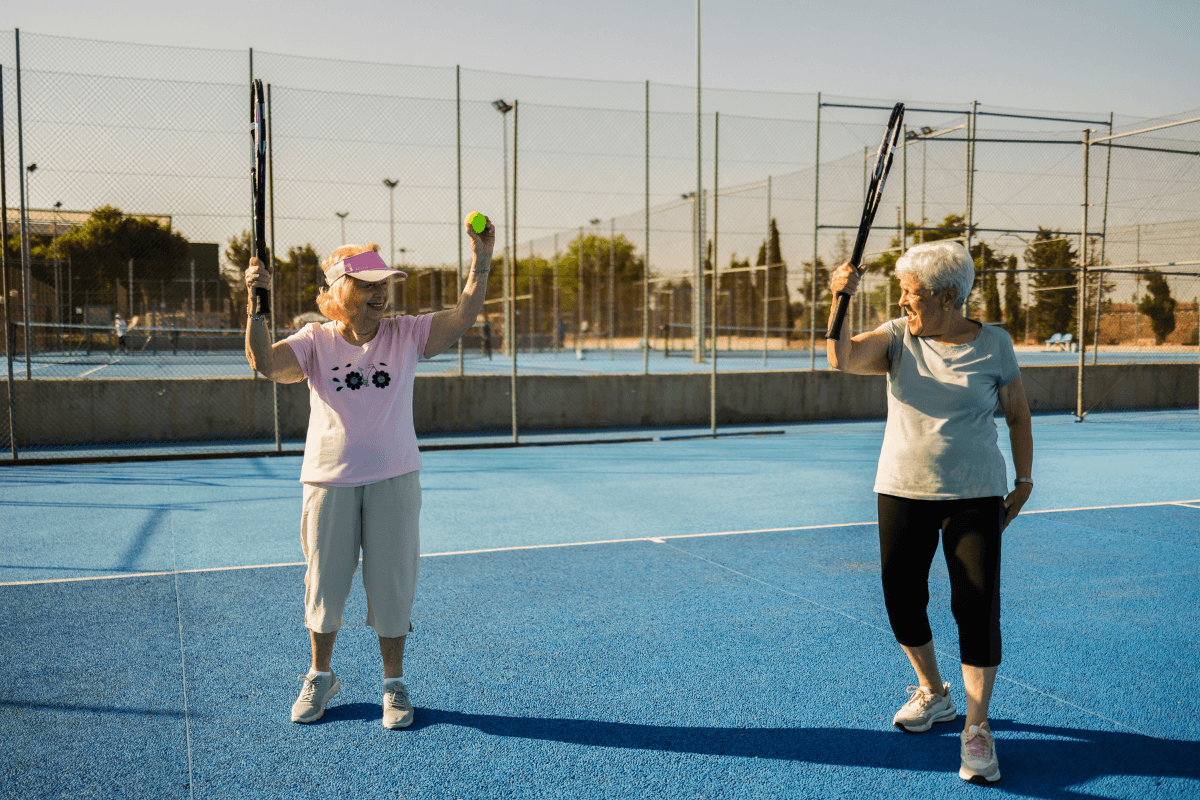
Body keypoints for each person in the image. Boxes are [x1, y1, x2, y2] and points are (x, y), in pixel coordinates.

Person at [243, 215, 495, 729]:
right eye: (368, 285)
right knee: (325, 585)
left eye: (385, 285)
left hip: (394, 478)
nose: (382, 294)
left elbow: (465, 314)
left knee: (393, 583)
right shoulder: (314, 341)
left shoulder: (407, 334)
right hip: (327, 479)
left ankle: (393, 684)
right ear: (337, 291)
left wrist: (482, 260)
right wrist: (256, 304)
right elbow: (264, 366)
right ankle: (320, 675)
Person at [826, 240, 1033, 786]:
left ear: (948, 297)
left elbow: (1018, 416)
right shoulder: (898, 339)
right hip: (901, 489)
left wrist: (1025, 480)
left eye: (912, 294)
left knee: (976, 605)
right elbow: (841, 357)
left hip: (975, 494)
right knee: (901, 597)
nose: (903, 302)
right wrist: (839, 301)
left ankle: (977, 727)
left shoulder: (995, 345)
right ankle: (935, 692)